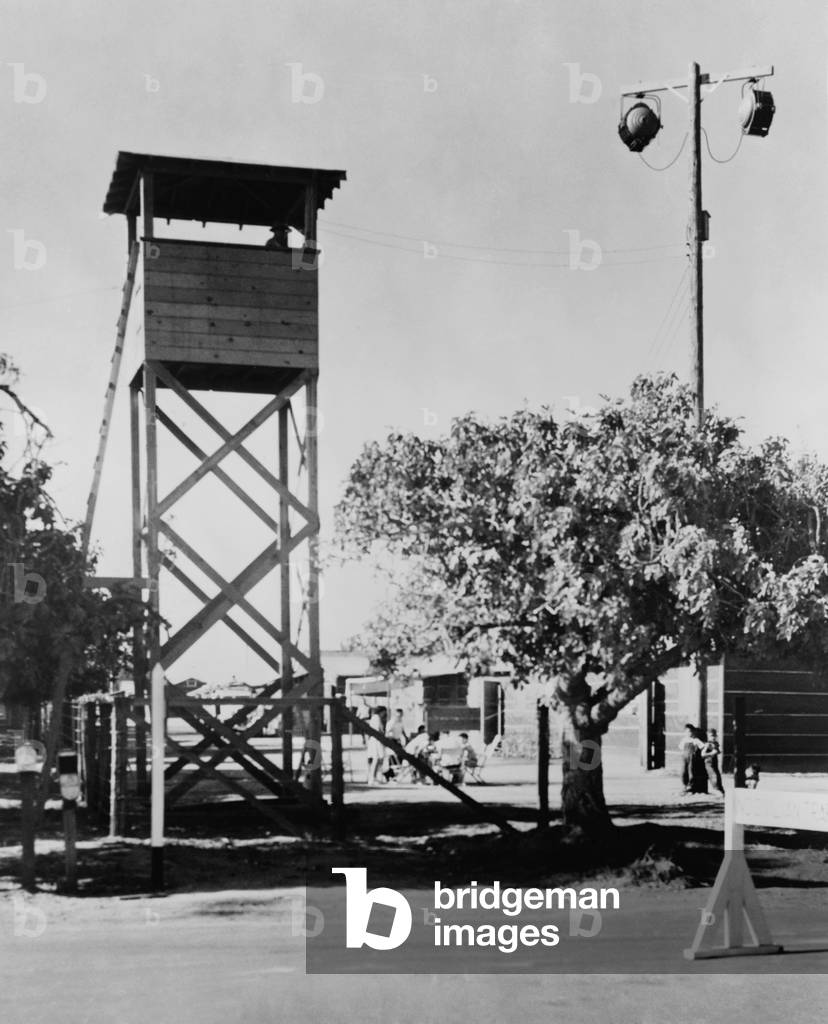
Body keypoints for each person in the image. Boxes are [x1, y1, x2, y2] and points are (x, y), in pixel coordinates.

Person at [699, 728, 724, 794]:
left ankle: (720, 789)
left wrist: (717, 751)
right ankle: (716, 789)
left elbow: (717, 751)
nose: (713, 737)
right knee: (714, 776)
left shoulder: (715, 743)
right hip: (709, 763)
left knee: (718, 776)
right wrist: (712, 753)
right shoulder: (707, 744)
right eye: (711, 736)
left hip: (715, 762)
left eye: (714, 735)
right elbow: (702, 754)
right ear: (708, 736)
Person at [365, 707, 385, 785]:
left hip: (377, 739)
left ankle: (374, 777)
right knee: (375, 758)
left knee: (378, 759)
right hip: (376, 740)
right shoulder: (376, 718)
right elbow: (377, 729)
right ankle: (372, 778)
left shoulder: (376, 718)